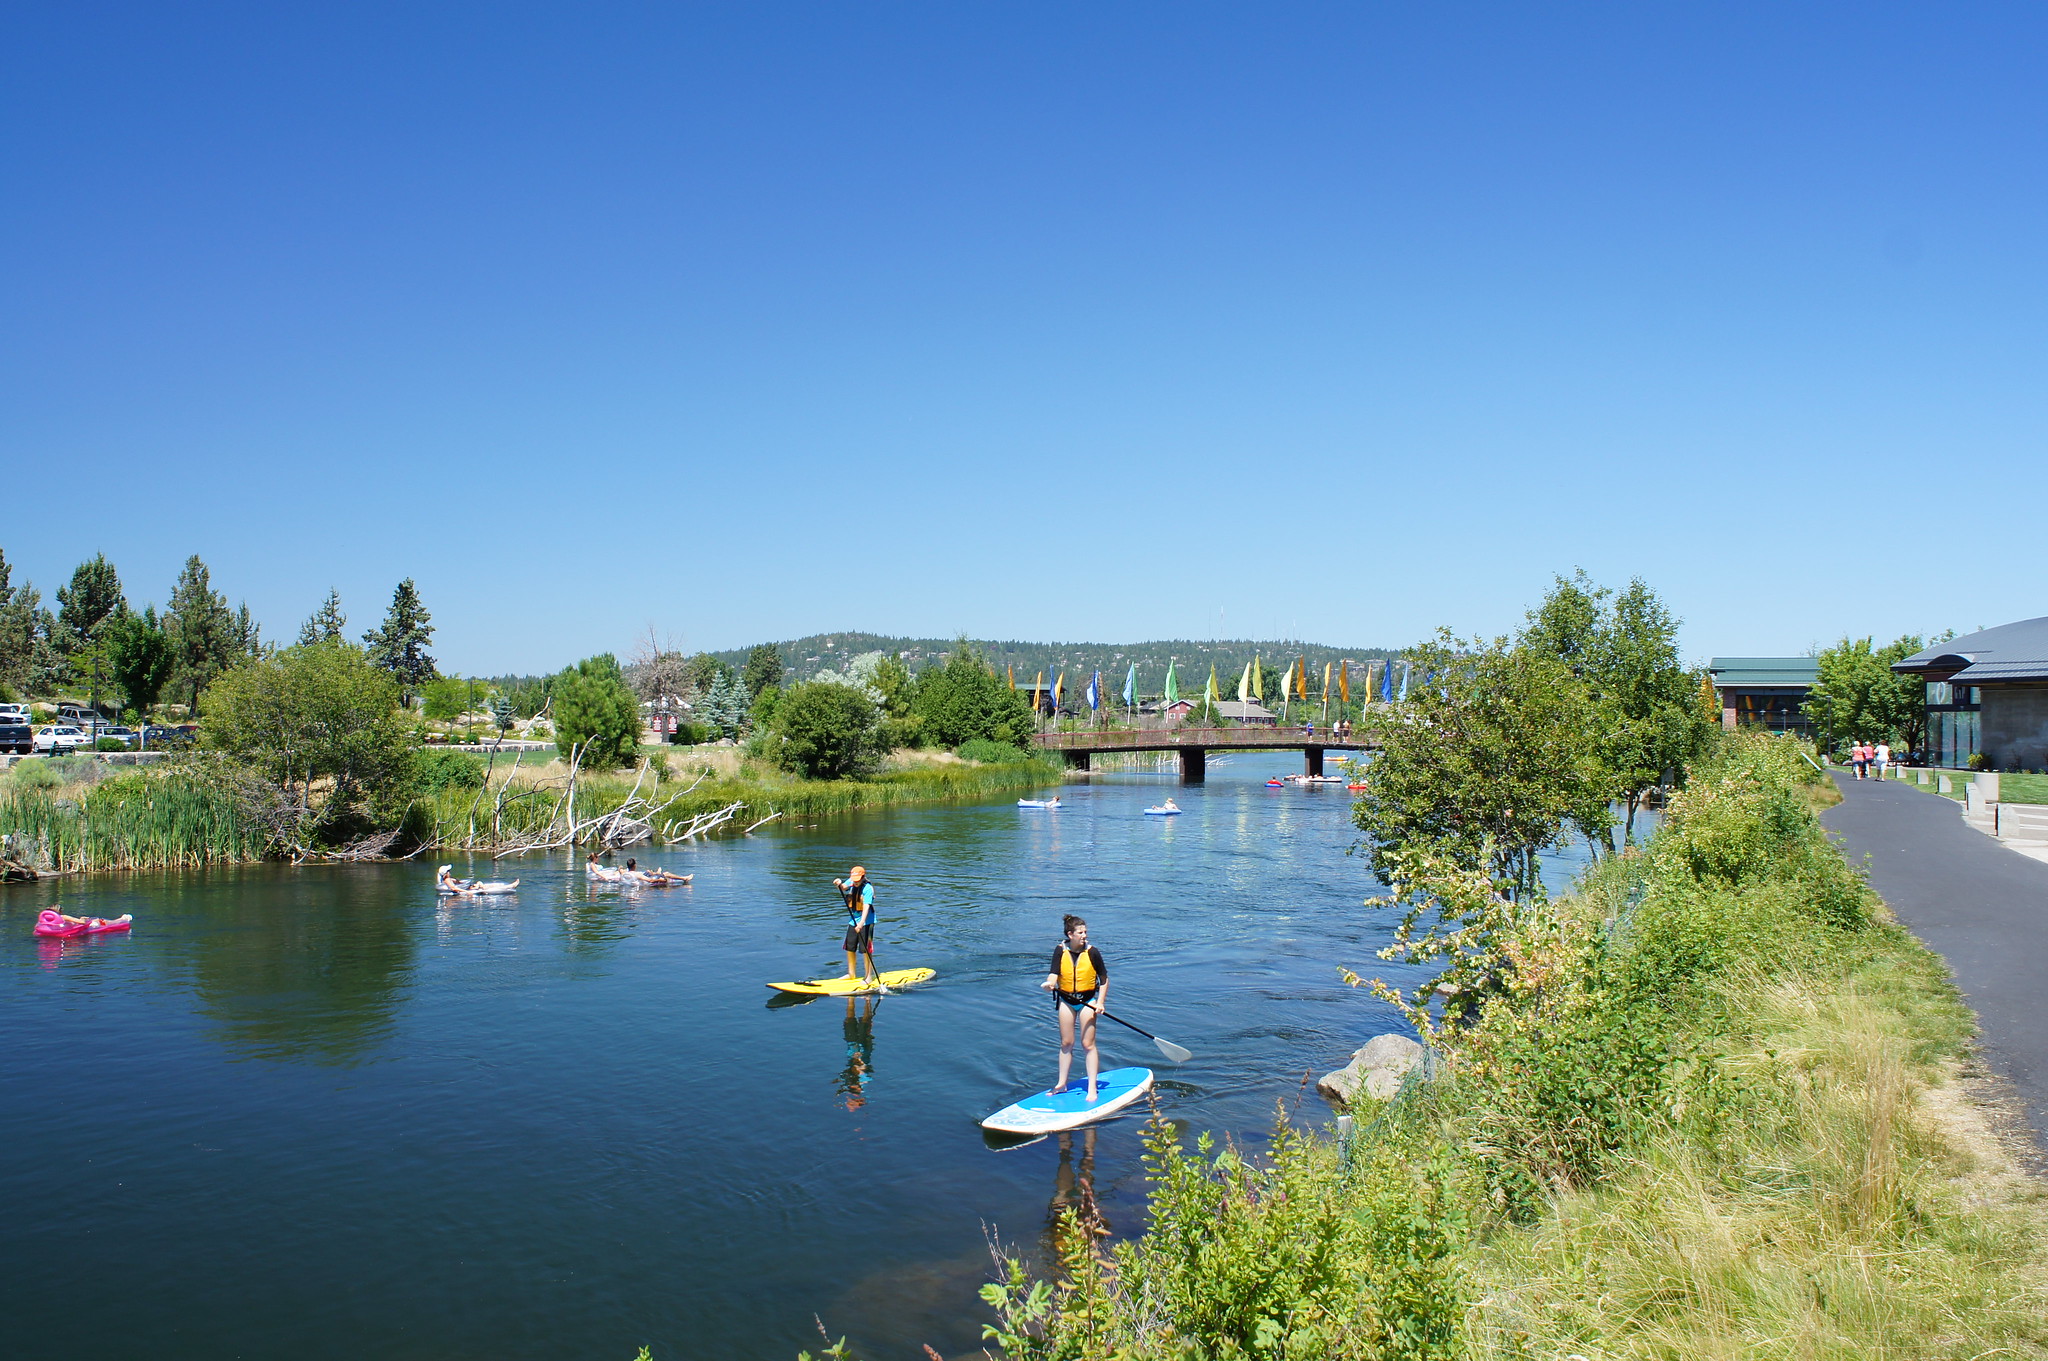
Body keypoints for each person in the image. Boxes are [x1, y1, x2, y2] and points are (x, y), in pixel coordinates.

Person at [1041, 913, 1108, 1101]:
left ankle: (1092, 1088)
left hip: (1087, 1001)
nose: (1085, 935)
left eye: (1085, 932)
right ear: (1070, 934)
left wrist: (1100, 1002)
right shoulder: (1059, 950)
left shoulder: (1093, 952)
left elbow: (1104, 979)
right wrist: (1049, 983)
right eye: (1081, 932)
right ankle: (1062, 1084)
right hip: (1067, 1000)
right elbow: (1054, 974)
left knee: (1088, 1044)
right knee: (1066, 1043)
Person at [833, 865, 876, 984]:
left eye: (858, 880)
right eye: (854, 879)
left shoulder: (868, 888)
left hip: (866, 922)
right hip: (853, 921)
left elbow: (866, 906)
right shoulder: (851, 881)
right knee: (850, 947)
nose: (855, 882)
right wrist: (839, 884)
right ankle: (851, 974)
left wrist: (861, 923)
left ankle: (868, 976)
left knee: (865, 949)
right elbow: (843, 887)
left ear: (863, 877)